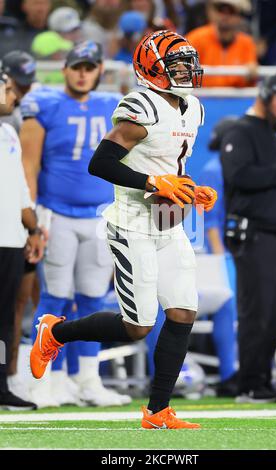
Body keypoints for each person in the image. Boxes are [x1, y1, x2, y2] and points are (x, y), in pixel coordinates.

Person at [30, 30, 218, 429]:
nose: (187, 72)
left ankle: (157, 411)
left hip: (170, 223)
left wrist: (190, 188)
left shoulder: (193, 108)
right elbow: (100, 163)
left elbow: (170, 164)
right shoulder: (141, 107)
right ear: (152, 69)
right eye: (178, 65)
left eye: (188, 64)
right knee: (138, 326)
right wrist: (153, 183)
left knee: (183, 311)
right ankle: (57, 332)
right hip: (132, 223)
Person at [20, 40, 129, 408]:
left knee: (93, 298)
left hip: (99, 214)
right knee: (54, 296)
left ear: (99, 70)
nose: (83, 73)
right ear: (65, 68)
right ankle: (46, 379)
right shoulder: (45, 105)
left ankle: (86, 379)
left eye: (90, 66)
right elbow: (29, 165)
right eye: (77, 66)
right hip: (57, 212)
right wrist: (32, 214)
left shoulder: (112, 106)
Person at [221, 72, 276, 403]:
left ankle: (264, 381)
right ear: (268, 95)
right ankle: (250, 384)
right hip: (258, 236)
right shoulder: (241, 131)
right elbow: (238, 176)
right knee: (258, 313)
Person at [0, 71, 44, 410]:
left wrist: (32, 230)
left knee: (4, 317)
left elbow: (19, 193)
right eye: (8, 89)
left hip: (11, 238)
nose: (13, 97)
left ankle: (1, 383)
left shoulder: (9, 132)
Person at [200, 117, 239, 396]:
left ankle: (236, 370)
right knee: (229, 305)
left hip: (234, 249)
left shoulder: (226, 167)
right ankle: (230, 372)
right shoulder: (216, 169)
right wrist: (221, 259)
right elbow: (211, 221)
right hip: (221, 254)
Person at [186, 0, 257, 87]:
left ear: (239, 17)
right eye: (221, 10)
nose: (225, 16)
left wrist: (251, 74)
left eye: (231, 11)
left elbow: (250, 81)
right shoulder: (195, 39)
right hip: (200, 97)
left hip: (234, 99)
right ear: (213, 13)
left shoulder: (247, 43)